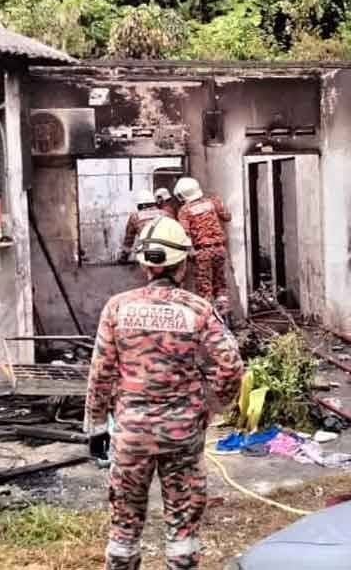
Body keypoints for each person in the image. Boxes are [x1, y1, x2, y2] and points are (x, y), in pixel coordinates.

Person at [85, 216, 243, 570]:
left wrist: (96, 426)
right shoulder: (198, 310)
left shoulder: (117, 308)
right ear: (183, 263)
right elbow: (231, 365)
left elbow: (101, 372)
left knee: (123, 529)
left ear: (145, 265)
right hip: (182, 434)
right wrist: (212, 407)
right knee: (182, 526)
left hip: (131, 435)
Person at [174, 177, 231, 312]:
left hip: (202, 252)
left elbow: (185, 234)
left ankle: (208, 321)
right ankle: (226, 319)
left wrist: (190, 252)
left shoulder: (185, 210)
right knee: (221, 286)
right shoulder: (213, 202)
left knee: (204, 289)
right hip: (220, 249)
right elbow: (227, 217)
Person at [122, 190, 166, 261]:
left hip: (148, 253)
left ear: (142, 205)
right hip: (167, 251)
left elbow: (129, 239)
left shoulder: (135, 217)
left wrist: (124, 257)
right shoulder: (165, 214)